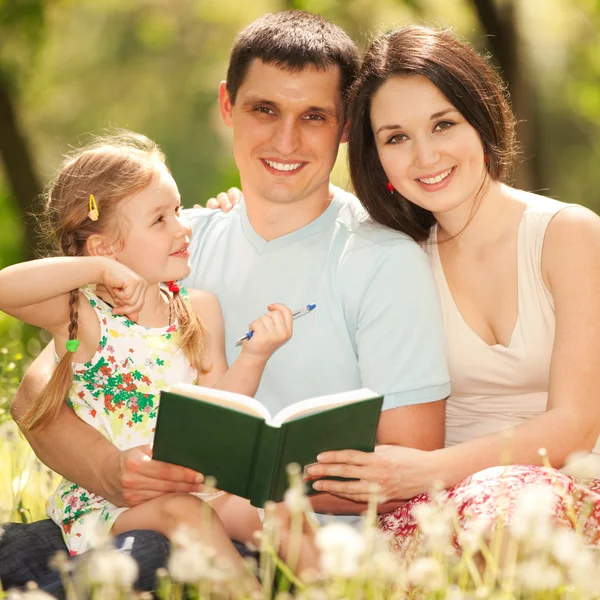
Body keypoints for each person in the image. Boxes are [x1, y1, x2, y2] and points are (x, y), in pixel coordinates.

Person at [4, 11, 451, 595]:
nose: (285, 140)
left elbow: (406, 463)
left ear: (345, 127)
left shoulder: (383, 259)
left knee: (142, 560)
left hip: (281, 527)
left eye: (313, 116)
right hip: (144, 516)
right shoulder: (170, 247)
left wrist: (255, 481)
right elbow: (37, 394)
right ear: (227, 106)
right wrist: (114, 471)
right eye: (264, 109)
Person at [300, 25, 600, 548]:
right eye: (396, 137)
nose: (425, 156)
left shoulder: (567, 234)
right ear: (378, 159)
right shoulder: (395, 261)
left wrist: (428, 470)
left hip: (559, 498)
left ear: (480, 119)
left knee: (509, 515)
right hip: (440, 511)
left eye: (443, 125)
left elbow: (575, 424)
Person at [0, 131, 316, 581]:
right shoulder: (86, 316)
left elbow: (221, 410)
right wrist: (97, 271)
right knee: (188, 516)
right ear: (105, 246)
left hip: (200, 489)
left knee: (284, 513)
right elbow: (6, 287)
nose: (182, 227)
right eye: (160, 219)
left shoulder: (198, 308)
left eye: (177, 209)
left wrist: (255, 357)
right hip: (115, 506)